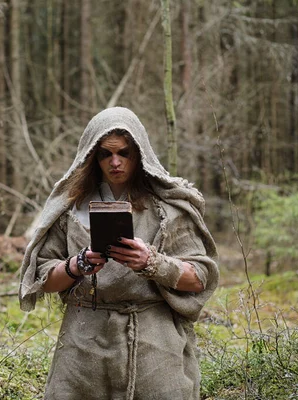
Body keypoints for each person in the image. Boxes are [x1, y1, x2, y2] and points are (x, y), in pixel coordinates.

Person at [19, 107, 219, 400]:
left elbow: (200, 278)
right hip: (84, 340)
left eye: (124, 153)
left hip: (155, 340)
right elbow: (43, 278)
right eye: (105, 154)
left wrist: (153, 262)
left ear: (139, 154)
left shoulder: (169, 208)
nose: (115, 162)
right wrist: (78, 265)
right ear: (92, 156)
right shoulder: (70, 210)